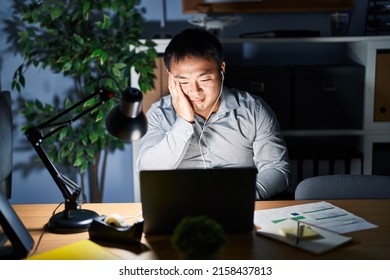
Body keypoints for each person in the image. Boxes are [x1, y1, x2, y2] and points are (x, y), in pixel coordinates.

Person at [137, 28, 290, 199]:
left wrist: (242, 198)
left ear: (221, 69)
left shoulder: (254, 111)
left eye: (204, 79)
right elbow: (146, 171)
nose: (195, 91)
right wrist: (183, 122)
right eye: (183, 81)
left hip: (239, 205)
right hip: (180, 210)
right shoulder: (159, 114)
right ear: (171, 77)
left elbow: (277, 170)